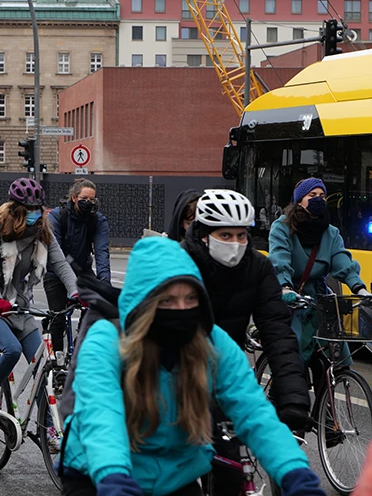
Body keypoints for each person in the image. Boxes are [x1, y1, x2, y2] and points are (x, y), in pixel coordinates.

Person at [60, 236, 325, 496]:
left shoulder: (213, 343)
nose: (181, 309)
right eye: (167, 300)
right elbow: (102, 413)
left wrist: (295, 472)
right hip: (98, 474)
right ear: (143, 304)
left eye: (190, 298)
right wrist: (113, 473)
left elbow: (254, 412)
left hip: (175, 478)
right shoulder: (106, 339)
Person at [180, 189, 310, 496]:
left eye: (242, 235)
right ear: (203, 235)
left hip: (227, 375)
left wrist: (293, 397)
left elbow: (277, 332)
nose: (236, 244)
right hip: (178, 376)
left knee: (229, 473)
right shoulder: (179, 263)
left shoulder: (258, 267)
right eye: (226, 235)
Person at [0, 177, 77, 449]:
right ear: (14, 209)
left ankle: (50, 427)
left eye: (38, 209)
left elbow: (61, 264)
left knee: (42, 366)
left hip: (19, 306)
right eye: (28, 210)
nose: (34, 214)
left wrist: (76, 291)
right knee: (11, 349)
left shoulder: (43, 233)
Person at [268, 178, 368, 367]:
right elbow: (279, 258)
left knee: (337, 354)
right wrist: (285, 287)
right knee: (291, 353)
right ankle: (278, 392)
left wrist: (359, 288)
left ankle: (331, 388)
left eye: (322, 196)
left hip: (319, 298)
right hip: (291, 296)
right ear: (299, 201)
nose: (318, 200)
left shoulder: (331, 232)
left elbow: (342, 261)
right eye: (312, 195)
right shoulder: (282, 227)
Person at [44, 178, 109, 353]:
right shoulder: (57, 216)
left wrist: (105, 284)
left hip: (82, 270)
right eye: (84, 199)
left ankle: (82, 343)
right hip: (56, 272)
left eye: (92, 200)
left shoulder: (98, 220)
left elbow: (102, 252)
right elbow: (55, 253)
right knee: (58, 318)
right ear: (73, 197)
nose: (88, 203)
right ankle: (56, 361)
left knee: (96, 305)